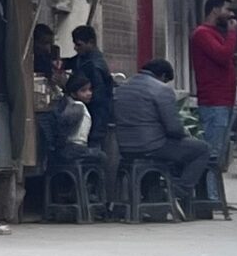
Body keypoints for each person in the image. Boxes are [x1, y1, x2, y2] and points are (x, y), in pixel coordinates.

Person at [113, 58, 214, 212]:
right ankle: (178, 190)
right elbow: (173, 128)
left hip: (125, 147)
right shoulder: (160, 89)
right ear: (162, 76)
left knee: (179, 151)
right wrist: (185, 135)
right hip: (153, 146)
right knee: (202, 149)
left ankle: (154, 195)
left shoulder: (122, 88)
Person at [188, 0, 237, 214]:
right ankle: (210, 197)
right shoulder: (202, 34)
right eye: (227, 10)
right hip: (214, 101)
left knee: (219, 153)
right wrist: (233, 33)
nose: (231, 15)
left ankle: (215, 195)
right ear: (215, 10)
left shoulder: (215, 35)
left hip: (224, 100)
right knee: (212, 151)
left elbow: (223, 57)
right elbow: (221, 55)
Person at [40, 71, 108, 210]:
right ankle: (89, 193)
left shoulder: (64, 105)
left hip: (66, 149)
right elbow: (63, 130)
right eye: (83, 91)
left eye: (90, 90)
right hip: (73, 149)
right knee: (102, 156)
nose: (89, 93)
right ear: (73, 93)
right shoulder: (77, 108)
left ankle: (79, 191)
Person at [67, 26, 117, 166]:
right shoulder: (85, 58)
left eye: (79, 44)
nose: (76, 48)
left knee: (93, 152)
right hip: (95, 115)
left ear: (90, 42)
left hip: (97, 116)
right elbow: (72, 61)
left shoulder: (94, 65)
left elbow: (99, 96)